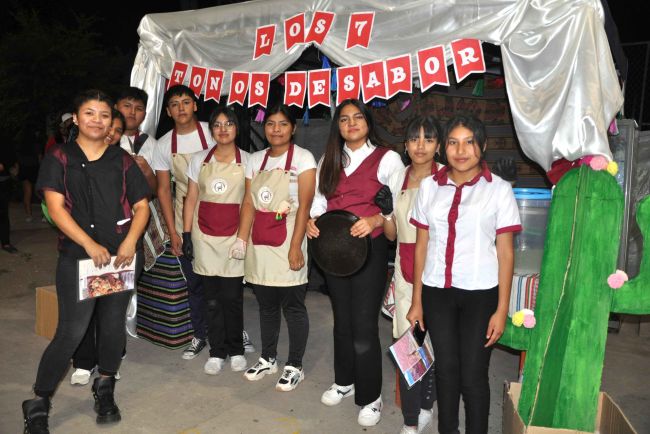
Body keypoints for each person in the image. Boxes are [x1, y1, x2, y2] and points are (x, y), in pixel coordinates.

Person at [22, 89, 150, 433]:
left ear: (111, 121)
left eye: (104, 115)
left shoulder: (121, 159)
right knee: (71, 331)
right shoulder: (59, 157)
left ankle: (104, 387)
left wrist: (131, 241)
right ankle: (39, 401)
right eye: (90, 113)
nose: (97, 120)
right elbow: (56, 207)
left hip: (120, 259)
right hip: (80, 258)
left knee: (112, 327)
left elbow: (142, 206)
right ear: (76, 119)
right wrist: (89, 244)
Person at [407, 114, 521, 434]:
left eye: (469, 142)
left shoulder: (498, 190)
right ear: (444, 148)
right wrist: (417, 301)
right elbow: (421, 246)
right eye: (453, 143)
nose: (460, 150)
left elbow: (506, 253)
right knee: (446, 370)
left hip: (480, 294)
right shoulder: (429, 187)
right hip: (436, 292)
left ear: (482, 146)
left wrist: (502, 309)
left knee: (472, 375)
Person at [306, 99, 404, 426]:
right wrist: (311, 221)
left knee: (363, 325)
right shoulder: (329, 159)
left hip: (370, 251)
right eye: (344, 119)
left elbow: (397, 208)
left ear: (368, 122)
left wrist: (376, 219)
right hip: (334, 251)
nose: (351, 124)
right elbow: (319, 202)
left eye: (357, 117)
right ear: (338, 126)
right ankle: (344, 381)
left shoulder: (387, 158)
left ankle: (371, 396)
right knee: (342, 321)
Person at [236, 103, 316, 392]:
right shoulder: (255, 160)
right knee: (266, 305)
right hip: (260, 240)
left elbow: (305, 205)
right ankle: (268, 358)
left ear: (293, 128)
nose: (276, 129)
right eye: (270, 124)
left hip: (290, 236)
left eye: (283, 124)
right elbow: (249, 202)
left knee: (293, 306)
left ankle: (295, 365)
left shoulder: (303, 158)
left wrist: (296, 247)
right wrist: (241, 240)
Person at [378, 116, 441, 434]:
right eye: (414, 139)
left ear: (438, 146)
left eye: (428, 139)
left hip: (440, 271)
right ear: (405, 145)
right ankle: (411, 421)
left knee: (435, 344)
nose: (420, 145)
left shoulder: (447, 178)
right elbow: (391, 235)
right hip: (405, 270)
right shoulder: (397, 178)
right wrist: (386, 212)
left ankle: (427, 406)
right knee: (409, 346)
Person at [182, 106, 249, 375]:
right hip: (205, 237)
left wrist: (243, 239)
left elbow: (249, 202)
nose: (223, 129)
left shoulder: (248, 161)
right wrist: (187, 234)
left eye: (229, 124)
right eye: (218, 125)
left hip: (233, 237)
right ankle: (216, 351)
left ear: (237, 128)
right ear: (211, 130)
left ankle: (236, 350)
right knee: (211, 299)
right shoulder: (199, 160)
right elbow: (191, 198)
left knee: (232, 298)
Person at [152, 84, 214, 360]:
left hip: (217, 213)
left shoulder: (213, 132)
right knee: (194, 281)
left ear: (195, 106)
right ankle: (200, 334)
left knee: (224, 281)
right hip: (183, 218)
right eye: (175, 104)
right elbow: (164, 190)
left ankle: (232, 331)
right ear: (168, 111)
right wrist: (173, 232)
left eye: (186, 102)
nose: (181, 108)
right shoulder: (164, 144)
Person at [68, 108, 128, 386]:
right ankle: (83, 362)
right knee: (84, 309)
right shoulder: (72, 158)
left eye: (117, 130)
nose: (111, 133)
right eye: (109, 126)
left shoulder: (122, 161)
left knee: (111, 312)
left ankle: (109, 363)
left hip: (116, 246)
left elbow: (140, 201)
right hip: (82, 246)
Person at [114, 87, 157, 192]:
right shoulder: (105, 138)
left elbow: (158, 191)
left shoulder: (153, 144)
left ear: (145, 115)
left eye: (139, 108)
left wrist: (147, 172)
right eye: (127, 106)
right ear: (115, 108)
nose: (132, 112)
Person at [0, 140, 18, 253]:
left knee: (3, 214)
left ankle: (5, 242)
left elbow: (9, 162)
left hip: (3, 182)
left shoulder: (5, 142)